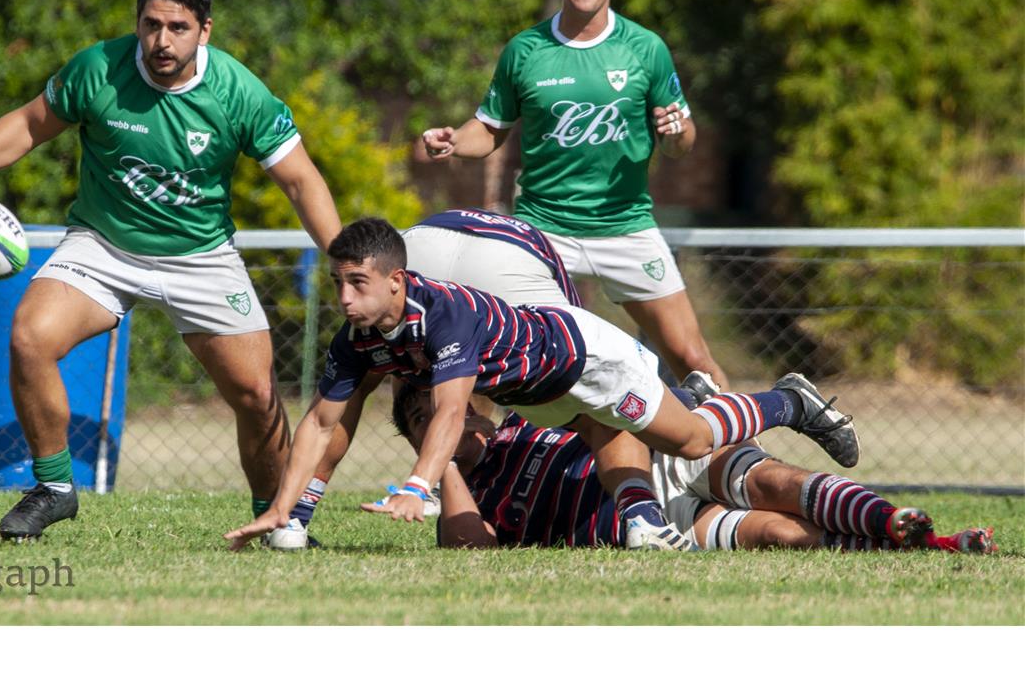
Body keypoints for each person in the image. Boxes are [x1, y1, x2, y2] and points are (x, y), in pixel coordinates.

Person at [0, 0, 342, 542]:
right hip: (102, 245)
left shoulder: (239, 93)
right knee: (29, 335)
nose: (162, 41)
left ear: (206, 31)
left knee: (256, 394)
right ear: (138, 22)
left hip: (201, 255)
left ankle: (279, 520)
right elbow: (26, 127)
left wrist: (342, 257)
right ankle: (53, 488)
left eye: (178, 27)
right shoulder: (98, 69)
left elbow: (300, 181)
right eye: (151, 25)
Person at [225, 217, 857, 549]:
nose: (343, 296)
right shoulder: (357, 336)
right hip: (540, 396)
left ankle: (788, 399)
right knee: (637, 440)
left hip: (585, 358)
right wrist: (288, 510)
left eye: (355, 283)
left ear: (396, 280)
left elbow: (449, 413)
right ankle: (645, 524)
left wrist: (418, 485)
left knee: (690, 439)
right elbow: (322, 423)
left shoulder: (444, 312)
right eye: (337, 282)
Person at [270, 208, 690, 552]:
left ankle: (297, 521)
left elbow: (331, 418)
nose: (343, 298)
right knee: (585, 396)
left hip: (420, 240)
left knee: (380, 377)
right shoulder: (522, 244)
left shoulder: (401, 284)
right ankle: (643, 512)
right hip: (506, 256)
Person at [420, 0, 729, 390]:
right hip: (543, 230)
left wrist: (675, 131)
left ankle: (744, 454)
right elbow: (488, 130)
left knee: (692, 357)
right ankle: (481, 458)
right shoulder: (525, 50)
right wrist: (453, 142)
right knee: (490, 353)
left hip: (625, 227)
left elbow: (682, 142)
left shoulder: (645, 48)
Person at [389, 383, 997, 554]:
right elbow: (472, 550)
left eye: (442, 405)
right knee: (780, 535)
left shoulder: (530, 409)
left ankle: (889, 516)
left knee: (773, 484)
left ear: (472, 402)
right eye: (419, 419)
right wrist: (437, 462)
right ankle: (926, 542)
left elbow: (604, 404)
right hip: (661, 531)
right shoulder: (469, 496)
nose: (439, 418)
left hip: (663, 468)